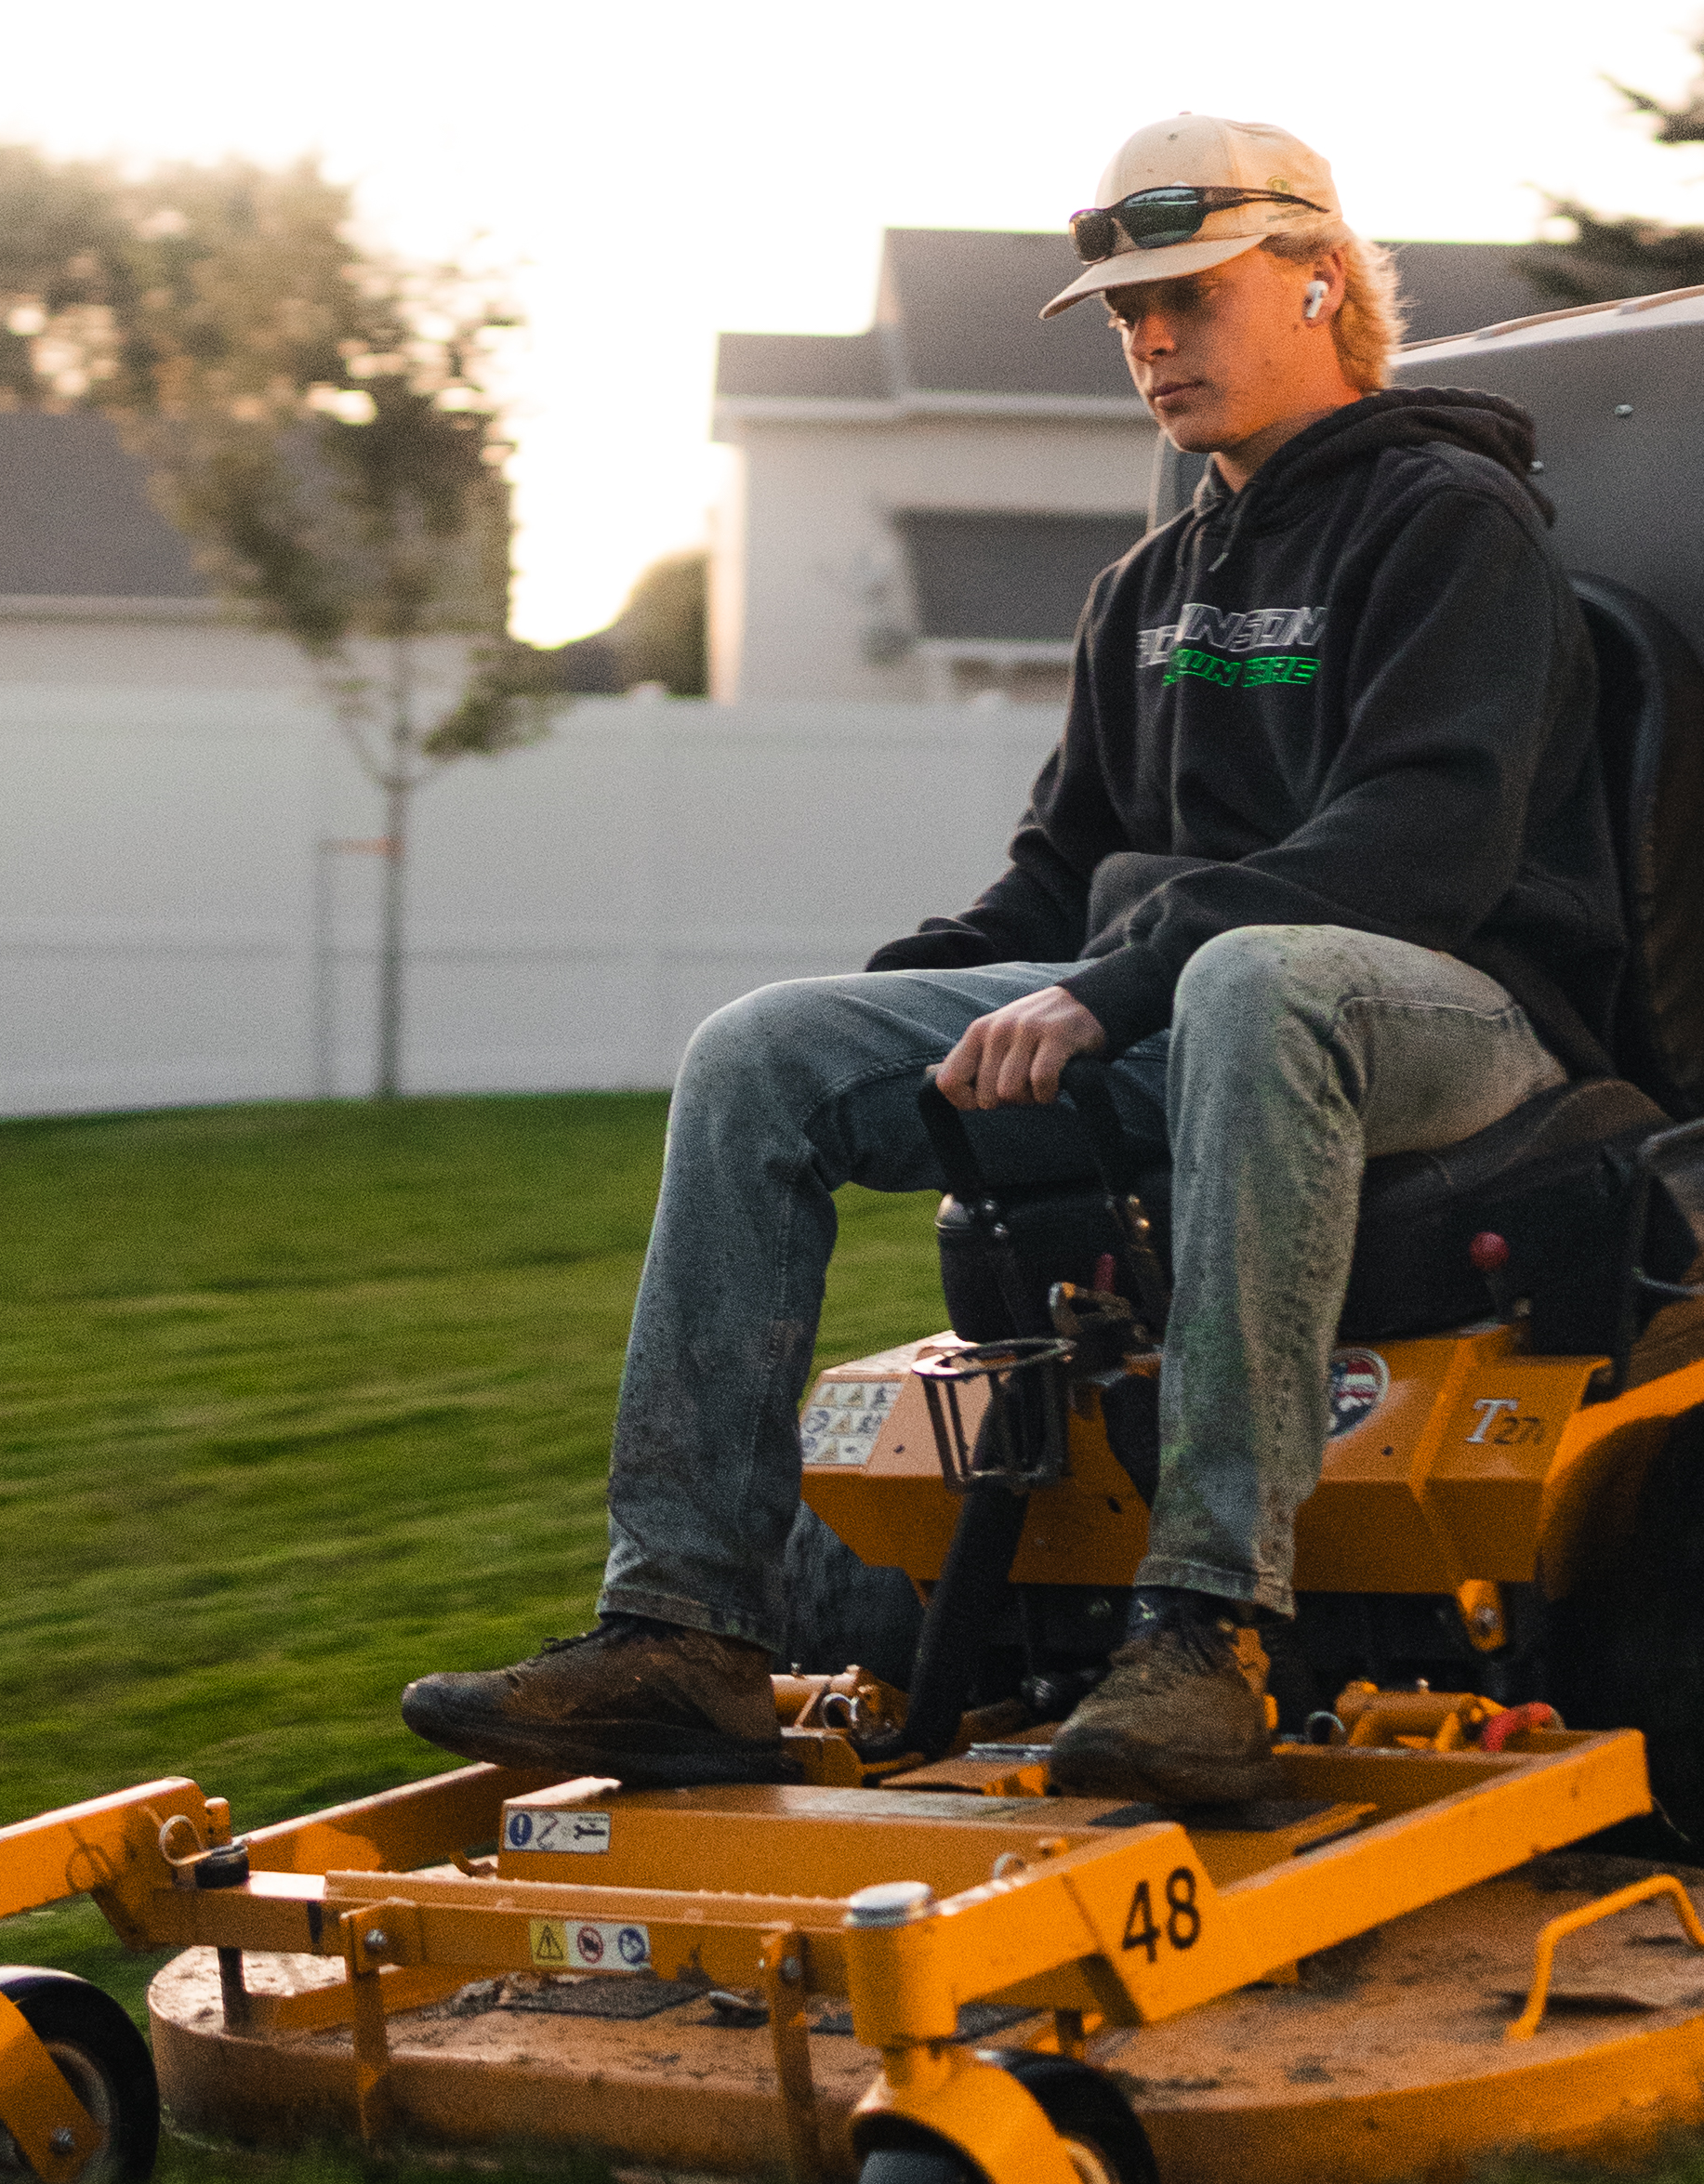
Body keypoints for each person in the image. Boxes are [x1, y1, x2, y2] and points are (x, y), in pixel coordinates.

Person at [402, 113, 1626, 1810]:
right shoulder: (1150, 582)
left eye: (1191, 296)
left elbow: (1417, 847)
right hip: (1201, 997)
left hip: (1447, 1007)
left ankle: (1207, 1634)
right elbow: (1060, 873)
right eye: (1129, 315)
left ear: (1321, 280)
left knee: (1253, 980)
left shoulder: (1449, 520)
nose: (1153, 341)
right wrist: (905, 1001)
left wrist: (1108, 989)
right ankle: (682, 1637)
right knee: (767, 1048)